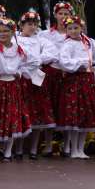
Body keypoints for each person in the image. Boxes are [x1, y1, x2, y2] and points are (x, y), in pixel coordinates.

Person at [0, 18, 38, 161]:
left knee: (12, 116)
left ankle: (7, 152)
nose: (2, 34)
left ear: (12, 32)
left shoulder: (18, 48)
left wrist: (20, 72)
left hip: (13, 86)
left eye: (6, 31)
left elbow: (34, 61)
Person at [55, 16, 95, 159]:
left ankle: (81, 149)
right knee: (75, 116)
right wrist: (81, 63)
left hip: (87, 82)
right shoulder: (67, 44)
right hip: (74, 82)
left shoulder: (88, 41)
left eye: (76, 28)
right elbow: (64, 62)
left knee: (85, 116)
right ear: (66, 30)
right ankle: (74, 149)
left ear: (81, 28)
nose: (73, 31)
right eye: (70, 28)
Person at [17, 10, 57, 158]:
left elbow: (52, 53)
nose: (32, 27)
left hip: (36, 79)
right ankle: (19, 149)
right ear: (22, 25)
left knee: (38, 114)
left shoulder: (41, 40)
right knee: (21, 113)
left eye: (35, 24)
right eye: (29, 24)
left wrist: (38, 59)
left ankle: (33, 149)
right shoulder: (15, 38)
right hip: (21, 78)